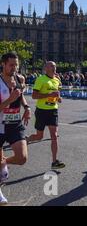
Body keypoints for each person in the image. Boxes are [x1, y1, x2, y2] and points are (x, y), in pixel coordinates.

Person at [0, 53, 31, 205]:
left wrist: (26, 107)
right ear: (3, 64)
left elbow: (21, 96)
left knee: (22, 158)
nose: (14, 68)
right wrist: (9, 100)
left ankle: (3, 162)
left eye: (16, 65)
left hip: (15, 124)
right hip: (0, 125)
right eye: (11, 65)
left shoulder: (20, 79)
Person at [26, 61, 65, 170]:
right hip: (42, 111)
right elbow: (34, 95)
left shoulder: (57, 80)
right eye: (52, 66)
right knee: (39, 136)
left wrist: (58, 98)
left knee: (54, 135)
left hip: (53, 110)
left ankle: (54, 161)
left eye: (55, 66)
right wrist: (49, 94)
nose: (54, 67)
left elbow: (57, 94)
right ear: (46, 68)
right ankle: (28, 139)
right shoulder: (40, 79)